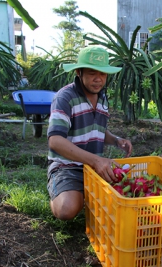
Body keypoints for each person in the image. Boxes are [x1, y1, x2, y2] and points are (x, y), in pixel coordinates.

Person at [47, 46, 133, 220]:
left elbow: (98, 129)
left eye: (102, 74)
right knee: (67, 210)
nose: (98, 79)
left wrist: (117, 140)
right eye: (92, 73)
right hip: (68, 166)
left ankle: (85, 193)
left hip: (95, 168)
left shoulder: (102, 97)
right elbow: (55, 140)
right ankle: (58, 189)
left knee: (129, 196)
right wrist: (96, 160)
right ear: (79, 72)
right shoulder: (65, 97)